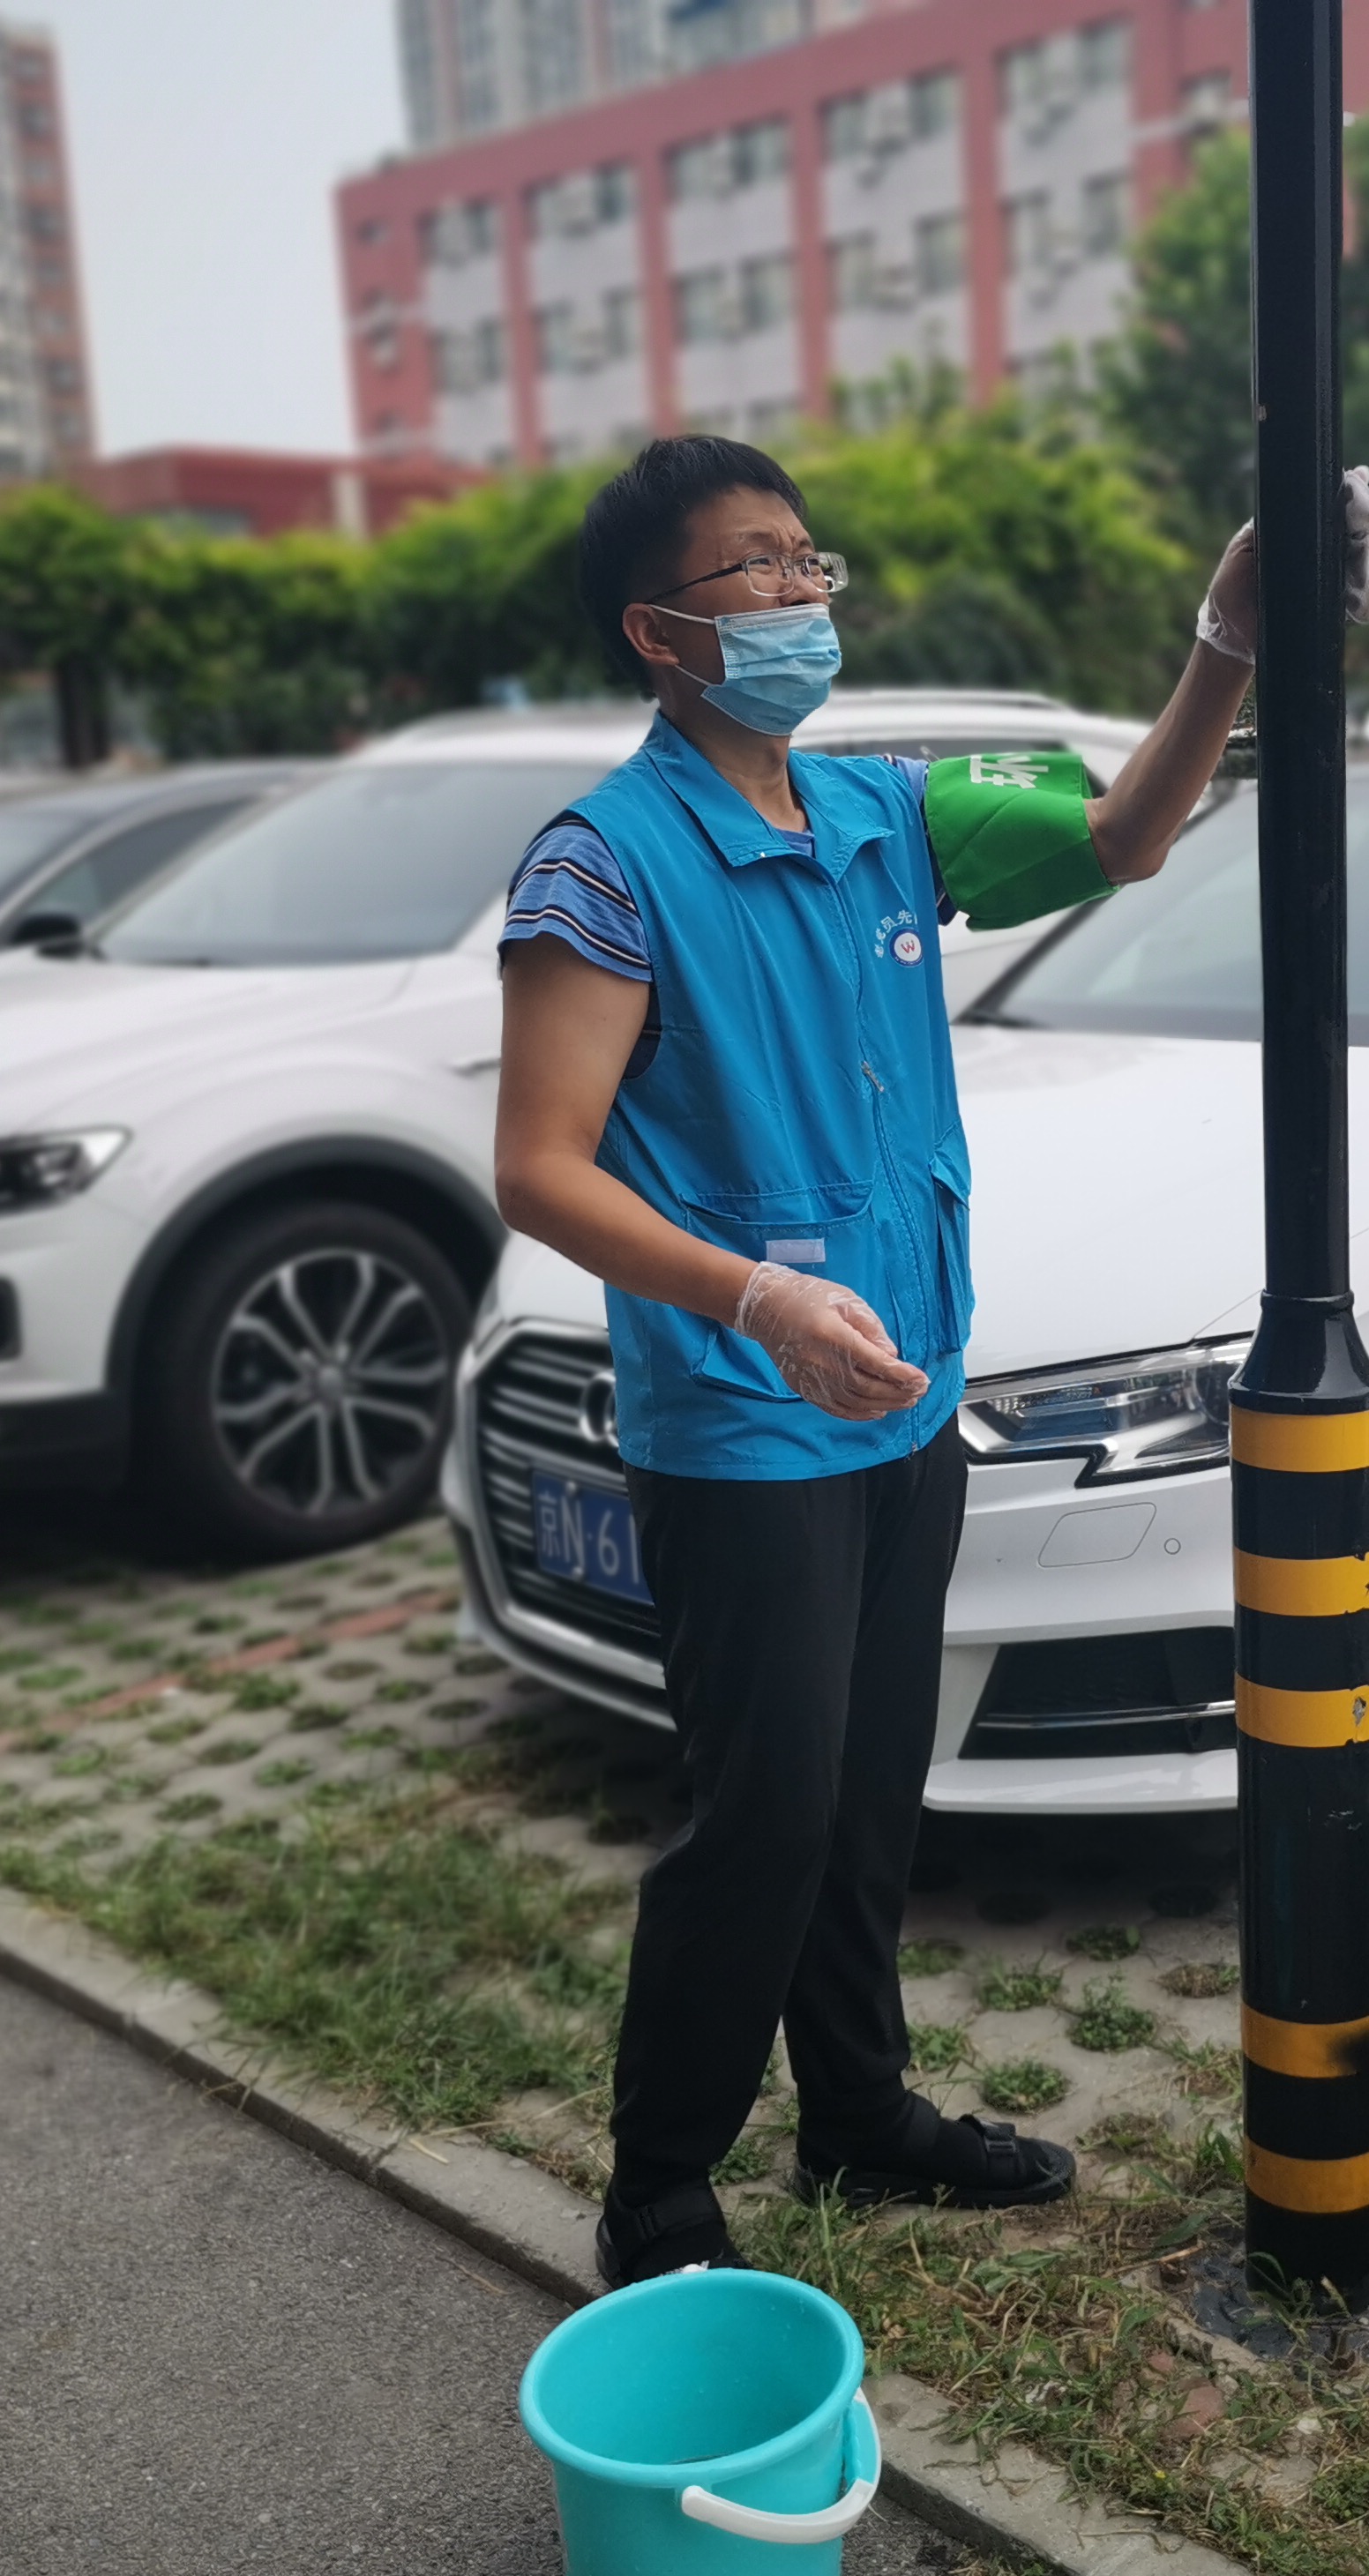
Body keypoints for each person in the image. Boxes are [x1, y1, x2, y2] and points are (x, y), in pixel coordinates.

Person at [492, 433, 1283, 2287]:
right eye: (753, 568)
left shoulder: (880, 813)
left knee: (864, 1794)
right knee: (762, 1817)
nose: (799, 593)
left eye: (806, 559)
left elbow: (1125, 835)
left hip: (907, 1392)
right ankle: (661, 2186)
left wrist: (1227, 642)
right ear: (659, 632)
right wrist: (754, 1303)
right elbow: (538, 1169)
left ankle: (856, 2114)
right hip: (741, 1424)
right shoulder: (604, 867)